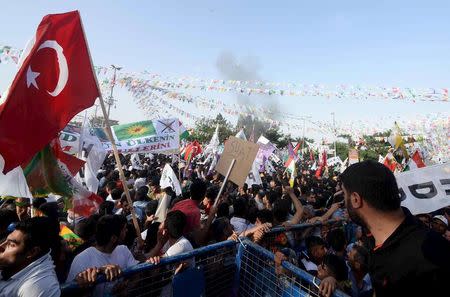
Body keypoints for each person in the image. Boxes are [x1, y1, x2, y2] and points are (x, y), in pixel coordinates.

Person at [330, 160, 450, 297]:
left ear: (356, 199)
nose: (343, 203)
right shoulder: (373, 242)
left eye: (344, 196)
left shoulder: (427, 255)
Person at [66, 215, 139, 296]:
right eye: (124, 229)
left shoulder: (123, 250)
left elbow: (137, 275)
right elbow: (69, 291)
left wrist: (126, 287)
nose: (127, 230)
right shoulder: (81, 259)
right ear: (113, 238)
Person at [0, 217, 60, 297]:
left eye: (11, 245)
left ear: (32, 252)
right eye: (5, 241)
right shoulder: (10, 264)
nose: (1, 246)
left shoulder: (39, 287)